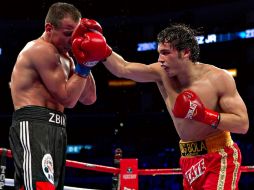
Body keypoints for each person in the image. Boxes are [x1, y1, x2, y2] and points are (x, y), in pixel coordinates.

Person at [72, 22, 249, 189]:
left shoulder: (218, 78)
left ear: (185, 52)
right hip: (188, 158)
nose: (160, 59)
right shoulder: (161, 73)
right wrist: (103, 50)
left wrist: (203, 115)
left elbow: (242, 124)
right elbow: (123, 68)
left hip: (219, 156)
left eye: (166, 53)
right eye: (159, 53)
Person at [8, 2, 106, 190]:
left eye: (76, 34)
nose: (72, 40)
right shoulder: (40, 50)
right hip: (33, 125)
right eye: (68, 34)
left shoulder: (68, 57)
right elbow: (68, 99)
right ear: (49, 28)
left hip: (58, 129)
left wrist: (87, 59)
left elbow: (89, 98)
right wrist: (84, 67)